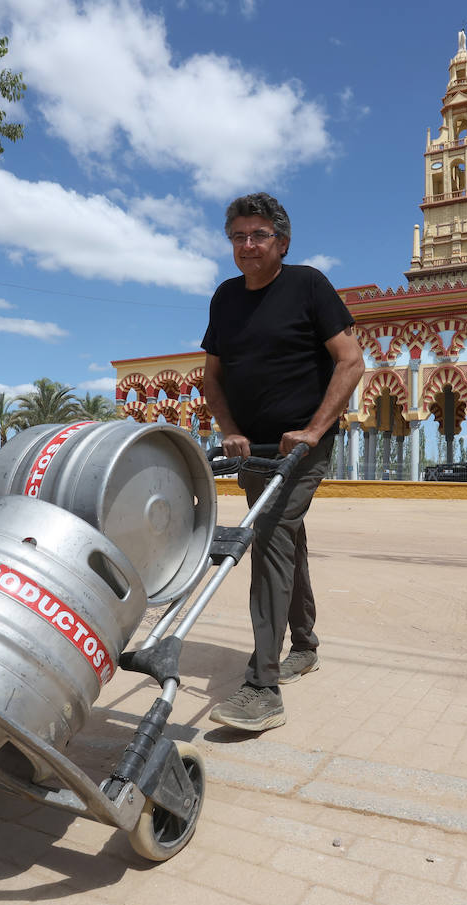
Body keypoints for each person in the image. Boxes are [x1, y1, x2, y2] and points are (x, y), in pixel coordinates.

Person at [201, 192, 362, 731]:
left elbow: (351, 361)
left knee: (269, 534)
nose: (247, 245)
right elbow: (212, 378)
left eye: (258, 235)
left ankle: (262, 686)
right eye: (238, 236)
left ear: (282, 243)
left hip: (303, 447)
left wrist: (313, 431)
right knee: (285, 538)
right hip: (254, 450)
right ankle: (305, 644)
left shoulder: (309, 285)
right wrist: (231, 430)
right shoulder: (225, 298)